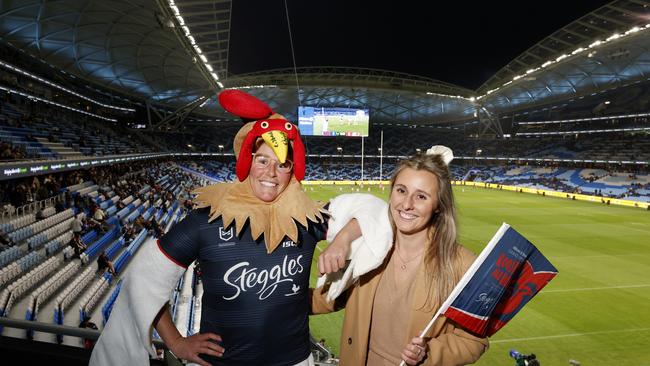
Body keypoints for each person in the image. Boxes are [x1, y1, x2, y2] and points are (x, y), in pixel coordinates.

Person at [90, 90, 379, 366]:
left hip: (293, 360)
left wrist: (343, 238)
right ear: (247, 162)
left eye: (282, 164)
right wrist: (176, 342)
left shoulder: (305, 219)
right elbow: (143, 278)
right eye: (262, 160)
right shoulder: (207, 221)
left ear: (292, 171)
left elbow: (371, 209)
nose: (270, 173)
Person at [312, 146, 489, 365]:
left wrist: (430, 352)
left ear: (438, 206)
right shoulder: (370, 245)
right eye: (401, 190)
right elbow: (330, 297)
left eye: (421, 196)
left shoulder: (463, 264)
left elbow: (473, 341)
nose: (406, 205)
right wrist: (270, 301)